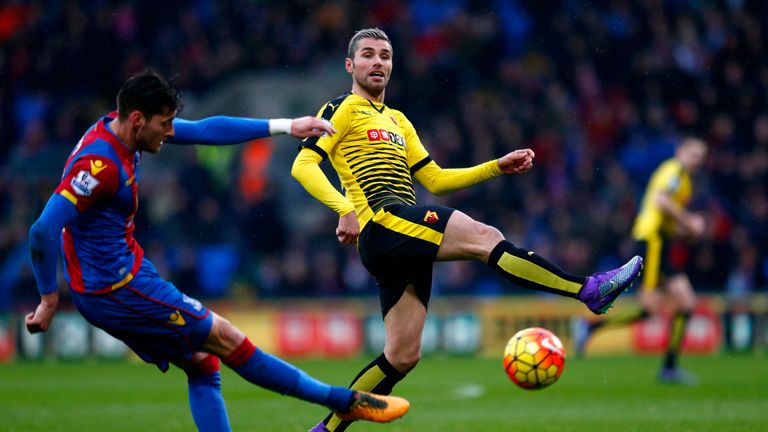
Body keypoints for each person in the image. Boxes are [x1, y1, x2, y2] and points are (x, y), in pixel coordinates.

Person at [290, 28, 644, 432]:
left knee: (402, 355)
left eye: (385, 56)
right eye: (368, 55)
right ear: (350, 66)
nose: (378, 62)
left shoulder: (398, 121)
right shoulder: (340, 108)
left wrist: (496, 166)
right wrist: (345, 208)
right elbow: (302, 166)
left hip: (400, 235)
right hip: (383, 223)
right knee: (485, 237)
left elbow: (436, 179)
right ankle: (589, 290)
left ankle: (325, 431)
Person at [25, 69, 409, 431]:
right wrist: (47, 299)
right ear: (139, 119)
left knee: (202, 362)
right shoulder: (101, 164)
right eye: (165, 125)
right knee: (226, 338)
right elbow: (43, 230)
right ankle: (342, 400)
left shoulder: (122, 127)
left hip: (124, 275)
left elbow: (206, 130)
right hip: (116, 288)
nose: (170, 133)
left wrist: (286, 126)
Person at [574, 137, 707, 385]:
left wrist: (687, 231)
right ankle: (591, 328)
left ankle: (669, 367)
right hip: (651, 241)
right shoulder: (674, 171)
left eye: (701, 156)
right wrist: (689, 222)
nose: (697, 159)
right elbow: (661, 201)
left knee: (686, 303)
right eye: (693, 153)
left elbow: (664, 214)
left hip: (662, 242)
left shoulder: (685, 180)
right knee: (650, 309)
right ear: (681, 151)